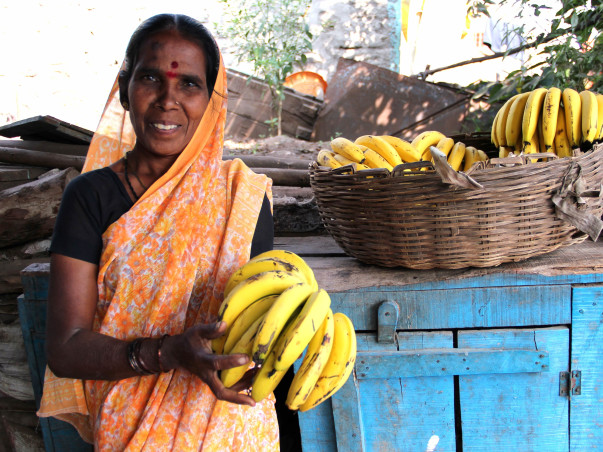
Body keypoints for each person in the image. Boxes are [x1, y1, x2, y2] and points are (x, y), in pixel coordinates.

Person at [37, 13, 284, 450]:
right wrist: (167, 353)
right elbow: (66, 347)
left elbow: (258, 325)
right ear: (124, 90)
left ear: (212, 100)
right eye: (151, 77)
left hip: (228, 429)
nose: (168, 100)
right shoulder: (90, 197)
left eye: (189, 83)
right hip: (130, 429)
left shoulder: (242, 198)